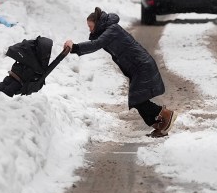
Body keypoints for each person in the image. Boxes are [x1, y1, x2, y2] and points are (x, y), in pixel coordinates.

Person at [64, 7, 178, 137]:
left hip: (142, 66)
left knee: (137, 99)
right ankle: (160, 123)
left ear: (98, 23)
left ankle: (165, 116)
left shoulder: (112, 30)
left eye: (90, 26)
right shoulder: (109, 30)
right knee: (137, 99)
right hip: (138, 67)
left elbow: (96, 44)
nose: (89, 30)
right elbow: (97, 41)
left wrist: (75, 47)